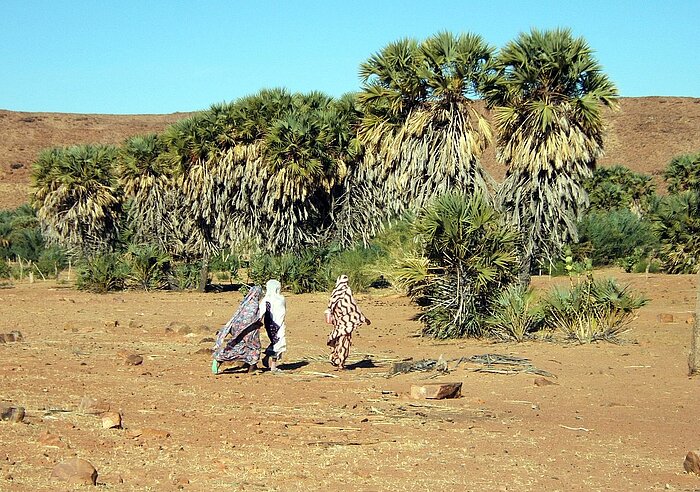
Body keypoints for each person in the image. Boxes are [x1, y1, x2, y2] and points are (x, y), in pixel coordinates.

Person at [211, 285, 263, 375]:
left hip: (238, 328)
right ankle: (252, 369)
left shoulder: (245, 303)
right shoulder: (254, 304)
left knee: (239, 346)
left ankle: (219, 358)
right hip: (248, 330)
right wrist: (258, 322)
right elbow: (250, 318)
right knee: (255, 347)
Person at [325, 275, 371, 370]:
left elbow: (330, 308)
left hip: (338, 323)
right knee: (344, 342)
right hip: (346, 323)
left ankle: (335, 358)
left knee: (337, 340)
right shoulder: (346, 293)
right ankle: (340, 363)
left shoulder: (335, 293)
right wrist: (364, 318)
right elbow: (353, 308)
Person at [259, 279, 287, 373]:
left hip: (270, 324)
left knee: (275, 342)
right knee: (278, 343)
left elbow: (260, 313)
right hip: (277, 324)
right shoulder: (281, 298)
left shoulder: (266, 299)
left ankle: (267, 358)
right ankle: (273, 367)